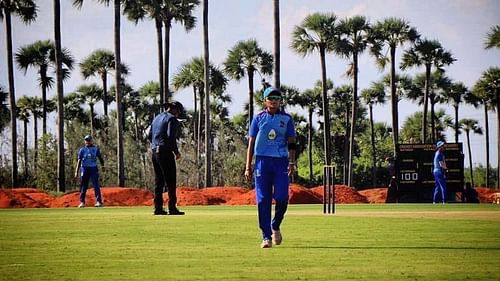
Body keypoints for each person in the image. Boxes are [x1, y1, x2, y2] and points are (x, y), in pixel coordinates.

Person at [244, 86, 296, 248]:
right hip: (262, 162)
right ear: (265, 101)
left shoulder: (287, 119)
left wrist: (292, 162)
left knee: (282, 197)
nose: (274, 101)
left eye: (277, 99)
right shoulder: (258, 118)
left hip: (280, 161)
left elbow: (292, 142)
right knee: (263, 200)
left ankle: (275, 225)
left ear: (280, 101)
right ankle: (266, 236)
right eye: (271, 99)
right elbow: (251, 142)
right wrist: (248, 166)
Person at [150, 101, 185, 215]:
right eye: (178, 112)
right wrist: (176, 152)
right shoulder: (171, 119)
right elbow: (171, 137)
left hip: (155, 151)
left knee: (159, 181)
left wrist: (155, 144)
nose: (178, 115)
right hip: (165, 152)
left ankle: (158, 208)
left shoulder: (156, 118)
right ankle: (172, 207)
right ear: (175, 110)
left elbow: (149, 134)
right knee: (171, 180)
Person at [74, 135, 104, 208]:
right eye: (86, 140)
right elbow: (79, 160)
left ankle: (98, 201)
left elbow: (100, 158)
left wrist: (103, 166)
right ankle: (82, 202)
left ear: (91, 141)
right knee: (83, 186)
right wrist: (76, 171)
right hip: (84, 168)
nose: (87, 142)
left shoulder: (95, 149)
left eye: (88, 140)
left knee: (96, 185)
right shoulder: (82, 150)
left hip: (93, 168)